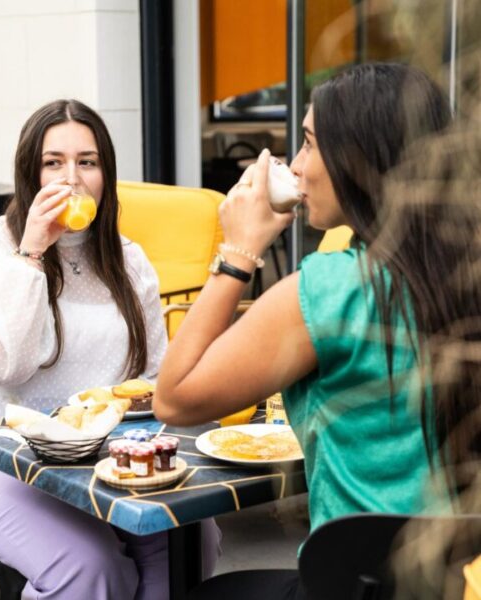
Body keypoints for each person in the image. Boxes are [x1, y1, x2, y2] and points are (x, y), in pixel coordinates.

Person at [154, 63, 480, 597]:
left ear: (359, 159)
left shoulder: (331, 290)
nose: (298, 167)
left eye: (309, 143)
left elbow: (174, 397)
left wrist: (238, 252)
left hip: (357, 584)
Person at [0, 99, 220, 600]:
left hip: (100, 460)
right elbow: (3, 366)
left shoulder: (128, 259)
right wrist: (32, 252)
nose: (73, 178)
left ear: (106, 173)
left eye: (88, 162)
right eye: (53, 162)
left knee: (189, 538)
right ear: (29, 173)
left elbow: (150, 376)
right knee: (91, 568)